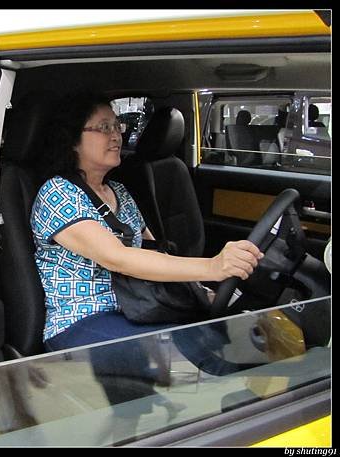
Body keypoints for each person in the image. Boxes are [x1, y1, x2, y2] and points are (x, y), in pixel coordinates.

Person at [29, 91, 264, 439]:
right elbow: (118, 257)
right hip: (82, 318)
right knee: (182, 358)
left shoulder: (119, 192)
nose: (116, 134)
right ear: (73, 140)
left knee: (223, 333)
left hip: (136, 307)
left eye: (117, 125)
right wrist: (213, 266)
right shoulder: (57, 193)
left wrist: (201, 290)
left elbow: (154, 252)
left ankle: (254, 419)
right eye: (103, 126)